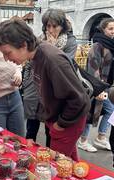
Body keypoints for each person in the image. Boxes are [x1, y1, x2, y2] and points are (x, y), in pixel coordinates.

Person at [0, 19, 90, 161]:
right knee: (70, 162)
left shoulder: (52, 60)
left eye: (8, 53)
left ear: (23, 45)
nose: (6, 58)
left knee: (56, 166)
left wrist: (60, 124)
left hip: (68, 121)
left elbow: (79, 99)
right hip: (58, 118)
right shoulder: (35, 56)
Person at [23, 9, 77, 147]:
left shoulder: (69, 42)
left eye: (55, 26)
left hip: (53, 90)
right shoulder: (40, 39)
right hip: (34, 87)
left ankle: (48, 157)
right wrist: (26, 82)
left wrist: (52, 48)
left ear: (62, 26)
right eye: (48, 26)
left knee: (50, 128)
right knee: (32, 124)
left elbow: (67, 65)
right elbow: (30, 62)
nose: (51, 30)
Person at [78, 18, 114, 152]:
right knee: (91, 112)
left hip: (107, 86)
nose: (113, 32)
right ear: (103, 29)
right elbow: (93, 69)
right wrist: (98, 89)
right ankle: (83, 140)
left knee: (108, 111)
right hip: (95, 86)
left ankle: (101, 136)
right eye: (110, 29)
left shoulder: (111, 45)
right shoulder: (97, 46)